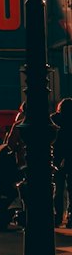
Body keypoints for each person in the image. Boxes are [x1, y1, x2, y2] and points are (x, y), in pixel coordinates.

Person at [53, 97, 72, 226]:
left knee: (57, 189)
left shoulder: (54, 119)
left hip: (57, 158)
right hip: (70, 157)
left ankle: (58, 216)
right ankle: (70, 217)